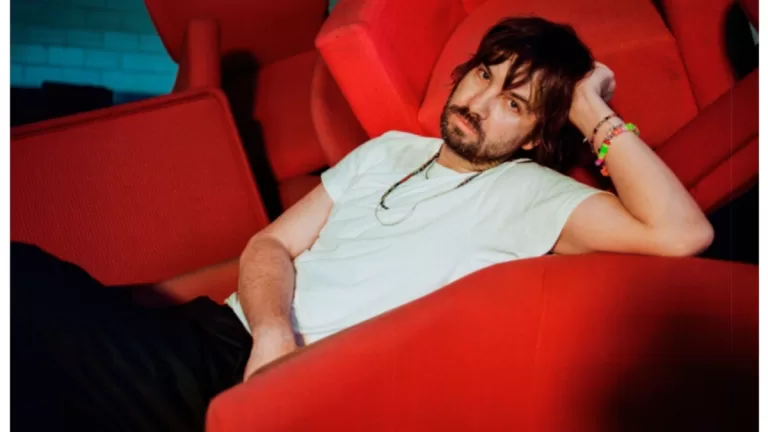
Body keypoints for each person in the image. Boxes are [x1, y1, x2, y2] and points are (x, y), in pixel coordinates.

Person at [11, 16, 713, 431]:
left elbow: (681, 234)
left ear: (535, 135)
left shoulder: (532, 195)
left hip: (274, 388)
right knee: (24, 275)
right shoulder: (389, 150)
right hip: (223, 335)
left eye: (515, 103)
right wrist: (272, 333)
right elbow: (271, 243)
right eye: (485, 75)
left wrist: (590, 106)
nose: (480, 102)